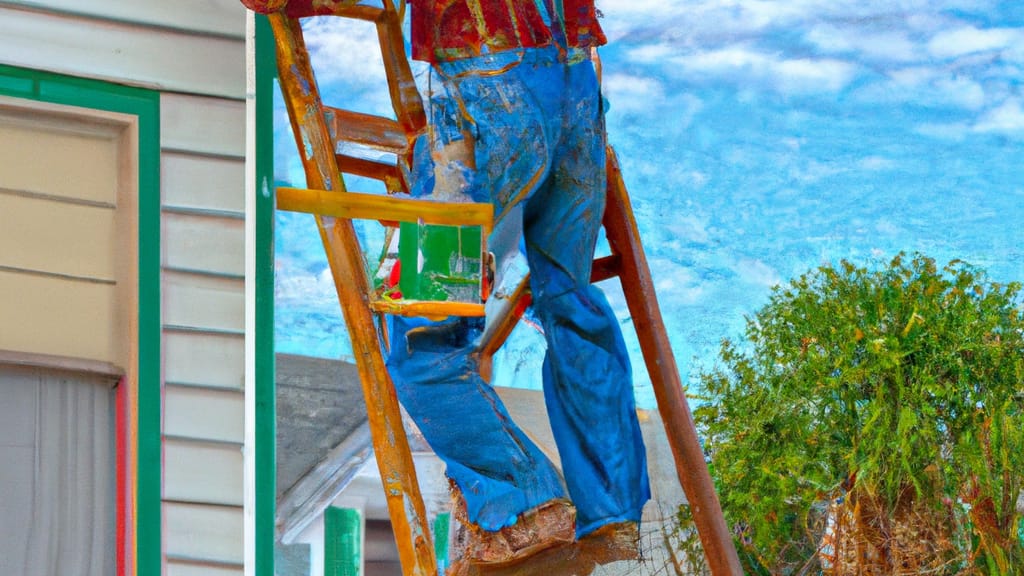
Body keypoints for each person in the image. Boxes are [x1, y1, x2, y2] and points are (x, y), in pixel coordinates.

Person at [240, 0, 651, 566]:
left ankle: (525, 504)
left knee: (418, 343)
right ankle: (611, 511)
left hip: (485, 103)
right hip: (577, 93)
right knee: (571, 302)